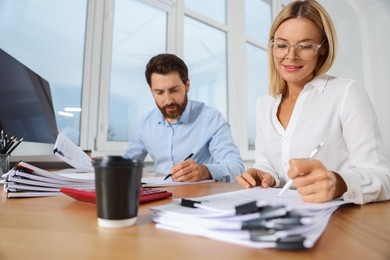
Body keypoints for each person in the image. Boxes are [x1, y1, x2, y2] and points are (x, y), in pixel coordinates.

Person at [236, 0, 390, 204]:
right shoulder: (264, 104)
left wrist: (340, 182)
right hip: (281, 217)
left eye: (305, 46)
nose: (290, 56)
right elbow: (267, 164)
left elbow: (383, 177)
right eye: (282, 45)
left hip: (339, 222)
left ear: (323, 48)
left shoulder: (346, 93)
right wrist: (264, 175)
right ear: (272, 47)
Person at [124, 53, 244, 182]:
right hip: (159, 196)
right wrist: (105, 165)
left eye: (174, 90)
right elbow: (126, 165)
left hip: (199, 196)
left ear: (187, 86)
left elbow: (236, 167)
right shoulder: (145, 124)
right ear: (151, 90)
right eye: (159, 92)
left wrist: (206, 171)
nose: (168, 100)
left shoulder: (211, 119)